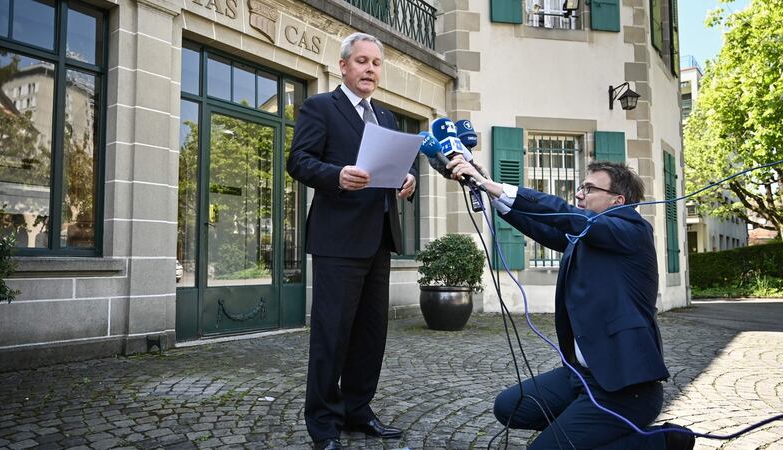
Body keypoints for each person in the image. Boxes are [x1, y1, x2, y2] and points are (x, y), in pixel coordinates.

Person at [448, 158, 695, 450]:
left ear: (618, 200)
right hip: (580, 376)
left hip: (625, 389)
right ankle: (585, 429)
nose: (579, 194)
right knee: (508, 406)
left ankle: (661, 443)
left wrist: (499, 187)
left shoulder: (633, 230)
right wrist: (491, 193)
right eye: (581, 186)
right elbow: (545, 226)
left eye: (589, 188)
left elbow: (565, 214)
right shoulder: (587, 234)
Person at [286, 32, 417, 450]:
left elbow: (389, 168)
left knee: (370, 336)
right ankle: (323, 425)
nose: (370, 70)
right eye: (362, 61)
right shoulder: (321, 107)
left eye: (376, 63)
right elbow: (299, 161)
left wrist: (405, 180)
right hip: (338, 241)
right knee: (332, 336)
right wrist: (336, 176)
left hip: (379, 239)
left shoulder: (386, 117)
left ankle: (358, 411)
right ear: (343, 66)